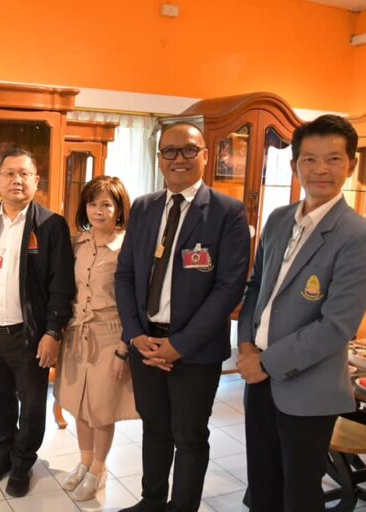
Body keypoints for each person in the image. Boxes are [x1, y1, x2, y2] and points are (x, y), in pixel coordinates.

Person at [237, 115, 366, 512]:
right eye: (310, 159)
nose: (321, 169)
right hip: (258, 379)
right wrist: (246, 346)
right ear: (294, 165)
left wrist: (265, 362)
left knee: (299, 494)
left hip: (308, 388)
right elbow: (256, 288)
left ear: (351, 165)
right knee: (262, 484)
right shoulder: (278, 219)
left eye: (333, 159)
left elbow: (335, 327)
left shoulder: (360, 237)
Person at [115, 122, 251, 512]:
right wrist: (134, 333)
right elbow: (125, 274)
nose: (179, 159)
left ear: (205, 155)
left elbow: (229, 287)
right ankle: (152, 501)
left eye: (189, 150)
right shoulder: (144, 207)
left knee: (189, 435)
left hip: (195, 350)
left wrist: (180, 345)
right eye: (170, 151)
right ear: (159, 158)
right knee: (154, 427)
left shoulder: (227, 212)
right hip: (145, 342)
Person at [0, 146, 74, 497]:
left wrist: (53, 332)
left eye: (25, 174)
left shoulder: (51, 225)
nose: (17, 180)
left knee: (33, 402)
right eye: (9, 173)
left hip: (32, 334)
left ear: (36, 180)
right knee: (0, 397)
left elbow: (61, 284)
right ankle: (4, 451)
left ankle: (23, 460)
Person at [55, 176, 138, 502]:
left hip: (110, 337)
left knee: (102, 408)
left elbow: (136, 302)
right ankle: (84, 461)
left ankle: (99, 470)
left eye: (106, 204)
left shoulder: (128, 247)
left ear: (119, 209)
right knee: (79, 405)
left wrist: (123, 349)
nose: (98, 211)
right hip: (77, 334)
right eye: (92, 203)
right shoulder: (77, 243)